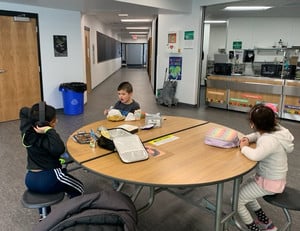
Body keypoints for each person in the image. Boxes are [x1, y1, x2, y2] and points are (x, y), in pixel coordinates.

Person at [19, 102, 84, 221]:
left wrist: (36, 116)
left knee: (51, 188)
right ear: (45, 125)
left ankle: (44, 217)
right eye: (53, 121)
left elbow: (23, 110)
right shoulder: (46, 139)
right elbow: (59, 149)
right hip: (49, 178)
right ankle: (74, 214)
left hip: (30, 179)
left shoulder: (27, 132)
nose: (56, 122)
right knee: (79, 187)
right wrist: (49, 130)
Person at [238, 103, 294, 231]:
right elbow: (258, 135)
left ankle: (254, 228)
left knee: (237, 201)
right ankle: (266, 222)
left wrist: (244, 148)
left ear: (253, 124)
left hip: (269, 183)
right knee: (244, 193)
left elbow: (256, 155)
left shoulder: (268, 140)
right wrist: (247, 138)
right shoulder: (276, 130)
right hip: (270, 178)